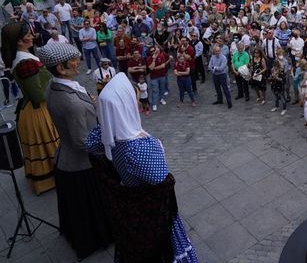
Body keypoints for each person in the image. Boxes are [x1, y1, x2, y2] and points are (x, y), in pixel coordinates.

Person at [85, 73, 198, 262]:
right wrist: (157, 147)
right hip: (151, 211)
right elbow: (162, 180)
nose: (137, 105)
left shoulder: (107, 134)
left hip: (128, 203)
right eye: (134, 100)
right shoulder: (138, 148)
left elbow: (90, 143)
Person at [40, 42, 112, 259]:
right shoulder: (72, 104)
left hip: (66, 157)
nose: (77, 62)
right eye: (72, 60)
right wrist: (108, 140)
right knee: (90, 210)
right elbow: (82, 142)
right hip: (81, 166)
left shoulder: (54, 87)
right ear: (61, 68)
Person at [0, 22, 59, 194]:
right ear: (19, 41)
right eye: (28, 34)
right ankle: (52, 179)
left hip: (33, 109)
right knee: (50, 145)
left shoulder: (23, 58)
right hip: (38, 111)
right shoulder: (26, 62)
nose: (32, 36)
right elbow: (37, 95)